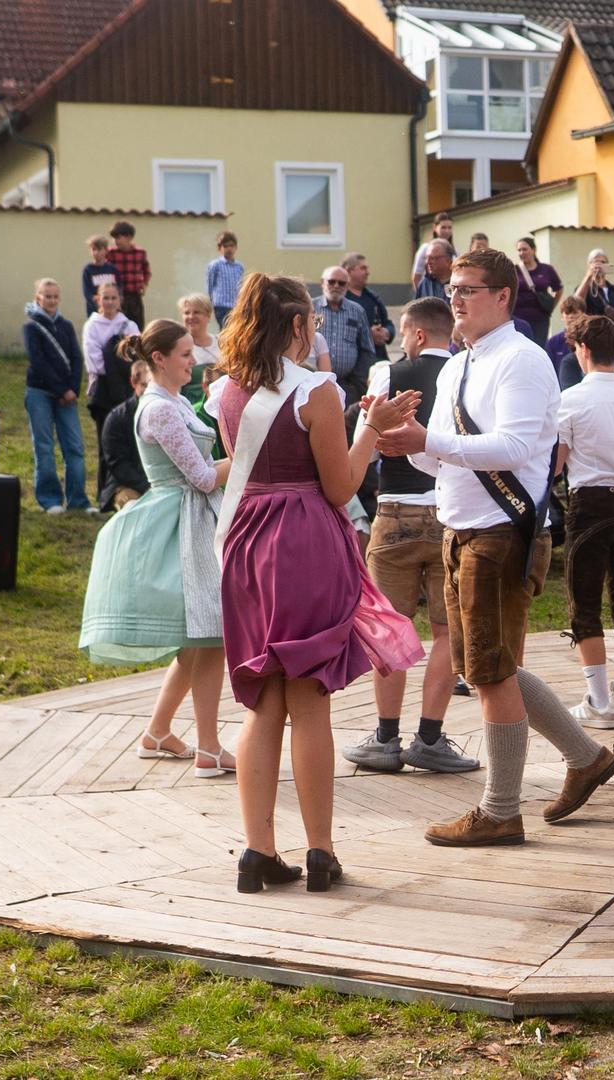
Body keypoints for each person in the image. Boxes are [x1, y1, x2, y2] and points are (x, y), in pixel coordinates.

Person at [376, 247, 614, 848]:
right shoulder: (460, 363)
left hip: (500, 532)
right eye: (451, 287)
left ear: (504, 296)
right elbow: (441, 459)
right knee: (491, 668)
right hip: (460, 528)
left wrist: (426, 438)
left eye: (468, 289)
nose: (455, 297)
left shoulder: (523, 359)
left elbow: (513, 447)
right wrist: (401, 440)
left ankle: (501, 809)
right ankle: (586, 757)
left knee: (488, 672)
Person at [208, 272, 424, 894]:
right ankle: (321, 854)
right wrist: (372, 431)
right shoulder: (318, 392)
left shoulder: (226, 390)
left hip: (248, 543)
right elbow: (339, 487)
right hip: (303, 540)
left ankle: (257, 852)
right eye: (314, 322)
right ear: (299, 325)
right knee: (308, 702)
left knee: (263, 698)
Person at [82, 319, 239, 778]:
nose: (194, 361)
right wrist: (250, 453)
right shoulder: (158, 409)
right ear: (159, 359)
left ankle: (156, 732)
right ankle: (208, 748)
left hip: (194, 515)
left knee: (200, 642)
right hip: (181, 522)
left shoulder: (174, 401)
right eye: (186, 354)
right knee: (211, 637)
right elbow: (204, 476)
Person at [343, 297, 478, 775]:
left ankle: (384, 737)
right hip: (450, 511)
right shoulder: (467, 373)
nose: (401, 342)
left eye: (403, 333)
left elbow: (367, 438)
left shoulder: (390, 374)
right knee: (446, 631)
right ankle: (430, 736)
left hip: (396, 509)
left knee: (389, 627)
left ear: (418, 335)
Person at [555, 314, 614, 729]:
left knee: (586, 604)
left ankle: (599, 701)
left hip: (589, 500)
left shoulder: (570, 399)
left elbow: (557, 463)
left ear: (583, 350)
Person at [22, 278, 92, 513]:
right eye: (46, 296)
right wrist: (62, 389)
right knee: (44, 446)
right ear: (38, 299)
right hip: (39, 392)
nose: (51, 300)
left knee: (75, 447)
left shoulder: (66, 325)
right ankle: (50, 499)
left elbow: (76, 358)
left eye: (55, 296)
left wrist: (72, 388)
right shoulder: (31, 327)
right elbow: (38, 361)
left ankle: (78, 500)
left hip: (68, 396)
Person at [84, 282, 141, 505]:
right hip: (104, 392)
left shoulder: (129, 324)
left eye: (113, 298)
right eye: (105, 298)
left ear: (120, 300)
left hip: (128, 389)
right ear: (98, 300)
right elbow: (94, 360)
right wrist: (115, 364)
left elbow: (136, 353)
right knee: (104, 445)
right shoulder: (92, 326)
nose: (109, 302)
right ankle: (103, 493)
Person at [315, 264, 376, 405]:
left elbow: (367, 349)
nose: (336, 286)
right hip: (315, 381)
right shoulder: (311, 308)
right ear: (322, 283)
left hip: (347, 384)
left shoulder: (357, 311)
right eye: (331, 281)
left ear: (347, 285)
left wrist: (357, 381)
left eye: (341, 283)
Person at [99, 358, 153, 512]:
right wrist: (148, 486)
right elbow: (118, 465)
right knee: (136, 508)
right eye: (144, 385)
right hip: (124, 485)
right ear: (133, 383)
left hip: (158, 483)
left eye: (152, 385)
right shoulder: (116, 418)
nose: (148, 391)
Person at [343, 252, 396, 363]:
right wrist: (368, 335)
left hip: (378, 358)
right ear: (348, 271)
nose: (367, 272)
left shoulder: (373, 298)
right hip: (355, 361)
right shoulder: (341, 299)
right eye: (363, 268)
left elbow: (387, 323)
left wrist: (386, 332)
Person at [512, 236, 561, 348]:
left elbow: (558, 288)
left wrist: (551, 307)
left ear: (533, 250)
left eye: (525, 249)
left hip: (540, 320)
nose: (521, 253)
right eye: (519, 250)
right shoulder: (513, 270)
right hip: (518, 318)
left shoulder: (546, 269)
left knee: (538, 349)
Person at [107, 221, 151, 329]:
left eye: (118, 237)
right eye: (114, 238)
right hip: (119, 296)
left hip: (135, 296)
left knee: (137, 325)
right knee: (119, 327)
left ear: (129, 237)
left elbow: (147, 270)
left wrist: (144, 284)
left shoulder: (140, 253)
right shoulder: (111, 253)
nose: (115, 241)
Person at [179, 294, 221, 403]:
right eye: (186, 313)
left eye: (196, 312)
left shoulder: (222, 343)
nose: (191, 317)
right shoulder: (178, 348)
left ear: (208, 315)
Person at [548, 296, 587, 390]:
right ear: (562, 316)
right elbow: (550, 370)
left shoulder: (589, 338)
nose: (571, 316)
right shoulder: (553, 342)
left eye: (575, 312)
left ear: (583, 314)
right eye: (567, 313)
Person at [574, 249, 614, 321]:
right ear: (588, 266)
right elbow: (576, 304)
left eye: (603, 262)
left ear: (607, 266)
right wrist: (589, 276)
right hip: (593, 331)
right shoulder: (585, 288)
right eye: (595, 262)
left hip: (613, 331)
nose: (599, 265)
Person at [206, 231, 243, 329]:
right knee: (225, 330)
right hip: (221, 306)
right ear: (219, 248)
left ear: (236, 247)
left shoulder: (239, 266)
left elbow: (241, 285)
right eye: (225, 246)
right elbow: (210, 286)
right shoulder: (215, 265)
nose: (229, 249)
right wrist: (210, 304)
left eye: (231, 245)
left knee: (236, 330)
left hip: (236, 305)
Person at [410, 213, 453, 291]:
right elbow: (416, 276)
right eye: (443, 227)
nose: (447, 231)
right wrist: (422, 295)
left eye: (449, 228)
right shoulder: (425, 248)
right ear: (435, 227)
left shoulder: (455, 250)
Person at [82, 235, 118, 317]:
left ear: (106, 250)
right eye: (93, 249)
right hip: (94, 311)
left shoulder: (113, 269)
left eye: (99, 249)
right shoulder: (88, 270)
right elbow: (87, 293)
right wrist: (98, 304)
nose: (96, 253)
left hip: (112, 310)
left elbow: (119, 288)